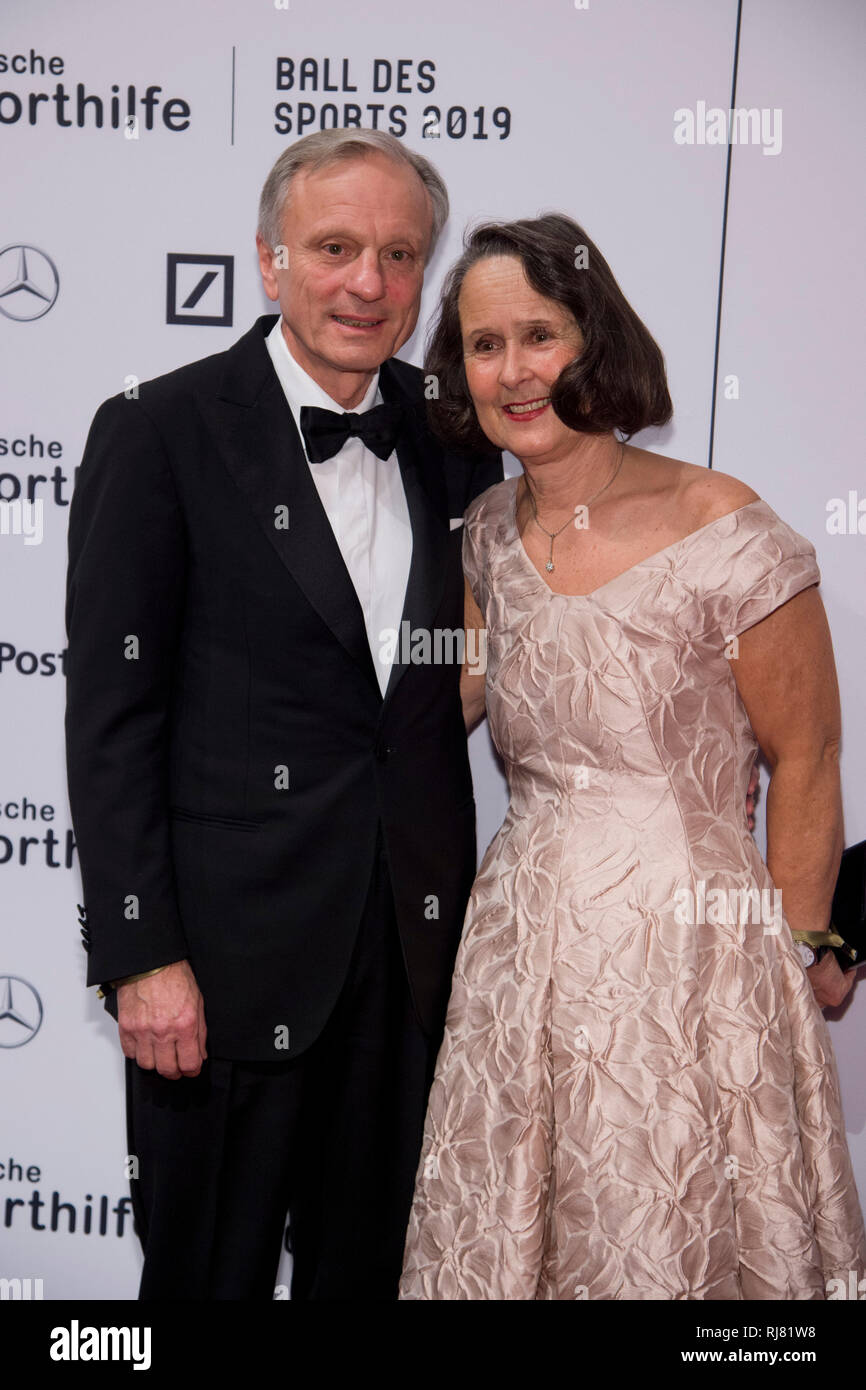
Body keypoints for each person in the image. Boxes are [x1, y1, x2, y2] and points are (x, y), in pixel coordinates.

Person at [64, 129, 502, 1301]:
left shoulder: (455, 434)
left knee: (368, 1278)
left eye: (399, 254)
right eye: (335, 248)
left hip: (403, 962)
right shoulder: (161, 427)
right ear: (268, 262)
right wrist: (140, 949)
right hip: (215, 966)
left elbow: (451, 675)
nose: (368, 282)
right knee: (202, 1280)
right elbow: (111, 718)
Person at [399, 214, 865, 1299]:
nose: (512, 370)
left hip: (693, 952)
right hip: (519, 940)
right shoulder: (481, 536)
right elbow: (435, 709)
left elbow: (806, 755)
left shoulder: (725, 526)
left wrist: (804, 949)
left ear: (592, 341)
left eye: (538, 335)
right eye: (481, 345)